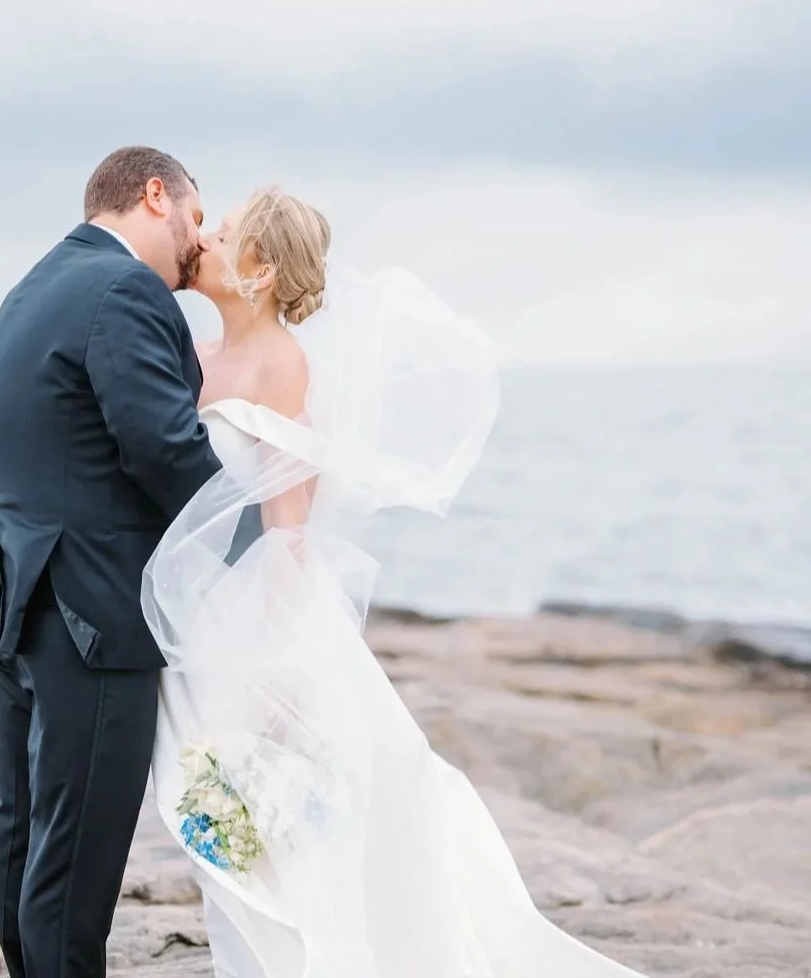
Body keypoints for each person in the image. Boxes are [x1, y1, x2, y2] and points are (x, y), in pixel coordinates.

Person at [145, 187, 651, 977]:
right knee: (219, 835)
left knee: (287, 837)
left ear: (263, 268)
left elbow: (290, 531)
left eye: (226, 230)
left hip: (258, 631)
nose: (204, 237)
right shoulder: (195, 357)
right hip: (201, 627)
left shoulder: (284, 366)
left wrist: (277, 680)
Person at [0, 146, 220, 978]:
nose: (200, 236)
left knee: (27, 828)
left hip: (14, 598)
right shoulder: (125, 291)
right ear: (157, 195)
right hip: (91, 615)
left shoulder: (34, 286)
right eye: (195, 215)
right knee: (75, 862)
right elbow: (166, 448)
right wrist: (254, 541)